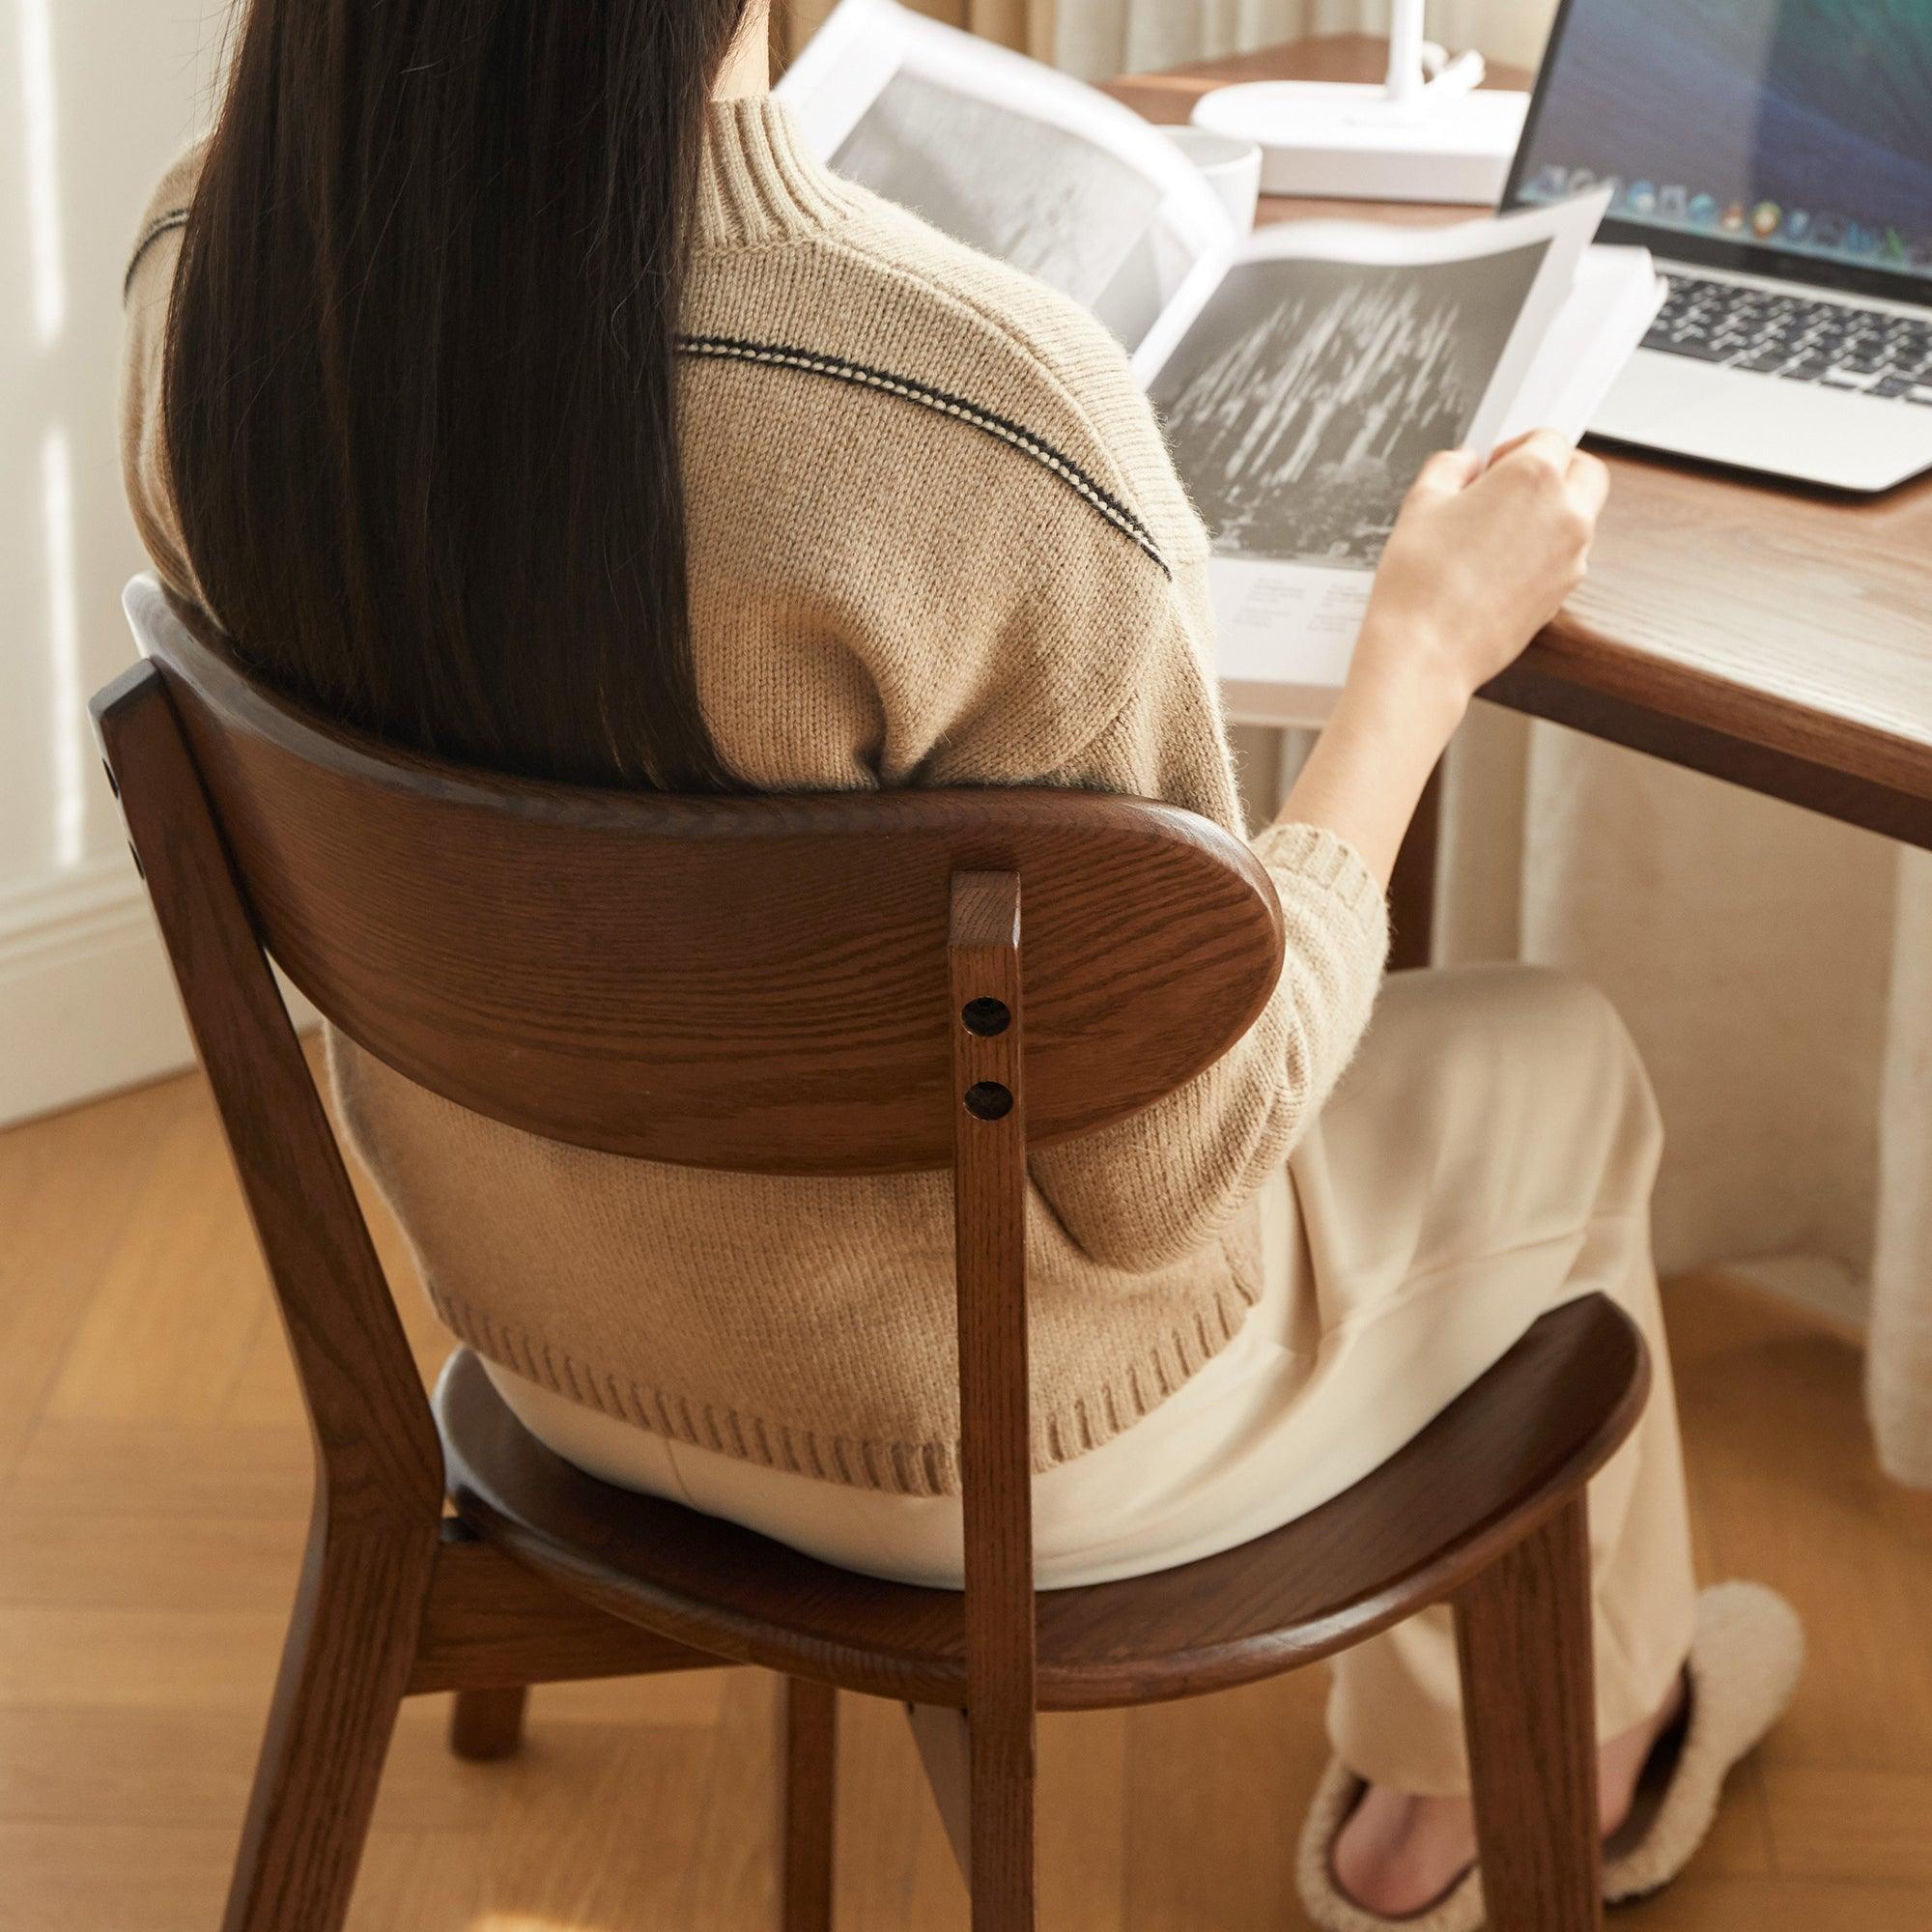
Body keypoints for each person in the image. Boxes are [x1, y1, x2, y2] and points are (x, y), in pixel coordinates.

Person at [119, 2, 1801, 1922]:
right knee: (1559, 1056)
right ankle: (1527, 1781)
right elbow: (1173, 1169)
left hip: (534, 1342)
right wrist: (1416, 658)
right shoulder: (967, 400)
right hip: (982, 1452)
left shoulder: (212, 280)